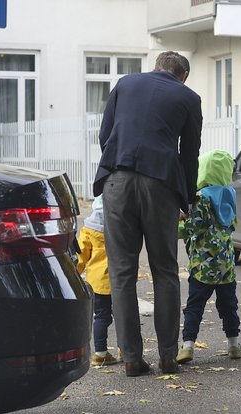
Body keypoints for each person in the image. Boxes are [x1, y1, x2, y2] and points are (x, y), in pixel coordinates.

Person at [93, 51, 202, 377]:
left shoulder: (125, 85)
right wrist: (188, 199)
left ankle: (131, 358)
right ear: (182, 75)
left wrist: (121, 169)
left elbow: (105, 135)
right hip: (161, 186)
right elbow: (190, 153)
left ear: (157, 67)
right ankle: (168, 356)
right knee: (165, 271)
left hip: (118, 181)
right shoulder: (188, 97)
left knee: (122, 273)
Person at [176, 149, 241, 364]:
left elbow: (190, 228)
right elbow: (232, 225)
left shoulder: (201, 198)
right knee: (228, 306)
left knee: (195, 306)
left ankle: (187, 346)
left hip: (202, 267)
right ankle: (234, 345)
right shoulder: (229, 196)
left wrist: (177, 223)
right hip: (226, 267)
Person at [76, 195, 121, 366]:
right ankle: (125, 348)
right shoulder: (120, 226)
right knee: (123, 316)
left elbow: (81, 255)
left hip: (97, 282)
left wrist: (75, 272)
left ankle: (100, 353)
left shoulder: (88, 229)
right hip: (119, 280)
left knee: (101, 316)